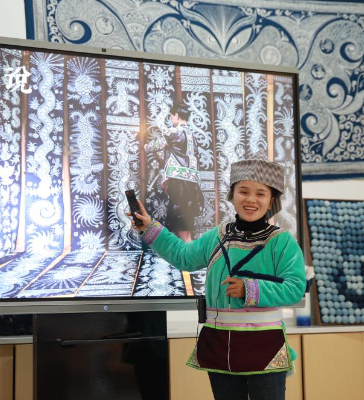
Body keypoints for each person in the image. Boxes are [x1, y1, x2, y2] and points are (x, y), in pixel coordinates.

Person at [128, 154, 306, 400]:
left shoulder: (281, 242)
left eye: (260, 193)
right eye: (243, 191)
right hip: (220, 346)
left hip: (265, 348)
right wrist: (149, 227)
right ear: (232, 195)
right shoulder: (217, 236)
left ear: (271, 201)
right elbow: (183, 257)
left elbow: (295, 288)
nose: (251, 199)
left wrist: (249, 289)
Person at [144, 102, 203, 242]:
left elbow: (153, 146)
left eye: (171, 116)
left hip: (178, 180)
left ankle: (188, 250)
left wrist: (145, 145)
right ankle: (187, 248)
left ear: (176, 115)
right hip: (192, 181)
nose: (171, 119)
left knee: (179, 219)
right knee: (185, 218)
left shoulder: (174, 132)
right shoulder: (192, 135)